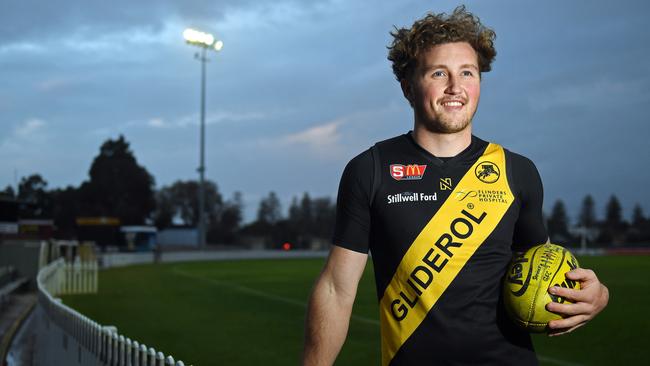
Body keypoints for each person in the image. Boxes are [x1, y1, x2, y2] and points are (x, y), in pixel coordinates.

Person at [302, 6, 609, 366]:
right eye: (438, 73)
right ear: (408, 87)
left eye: (468, 72)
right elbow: (337, 290)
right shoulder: (371, 170)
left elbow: (545, 268)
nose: (455, 87)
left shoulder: (517, 171)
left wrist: (598, 294)